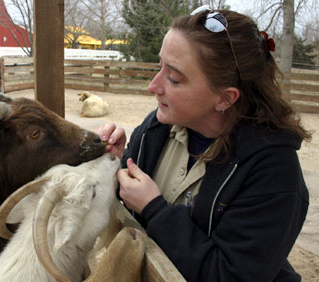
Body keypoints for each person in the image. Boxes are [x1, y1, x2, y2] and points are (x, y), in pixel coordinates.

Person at [95, 6, 311, 282]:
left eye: (174, 78)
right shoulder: (158, 129)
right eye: (159, 66)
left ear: (224, 99)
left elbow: (230, 275)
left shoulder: (274, 172)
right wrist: (116, 161)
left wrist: (155, 209)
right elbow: (126, 203)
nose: (153, 85)